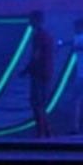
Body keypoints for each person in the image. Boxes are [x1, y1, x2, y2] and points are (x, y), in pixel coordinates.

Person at [21, 10, 53, 138]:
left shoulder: (39, 35)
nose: (28, 21)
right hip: (46, 72)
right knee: (41, 104)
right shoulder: (47, 35)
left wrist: (26, 69)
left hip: (39, 73)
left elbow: (36, 55)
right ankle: (47, 133)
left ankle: (40, 134)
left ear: (35, 20)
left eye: (30, 19)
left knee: (36, 104)